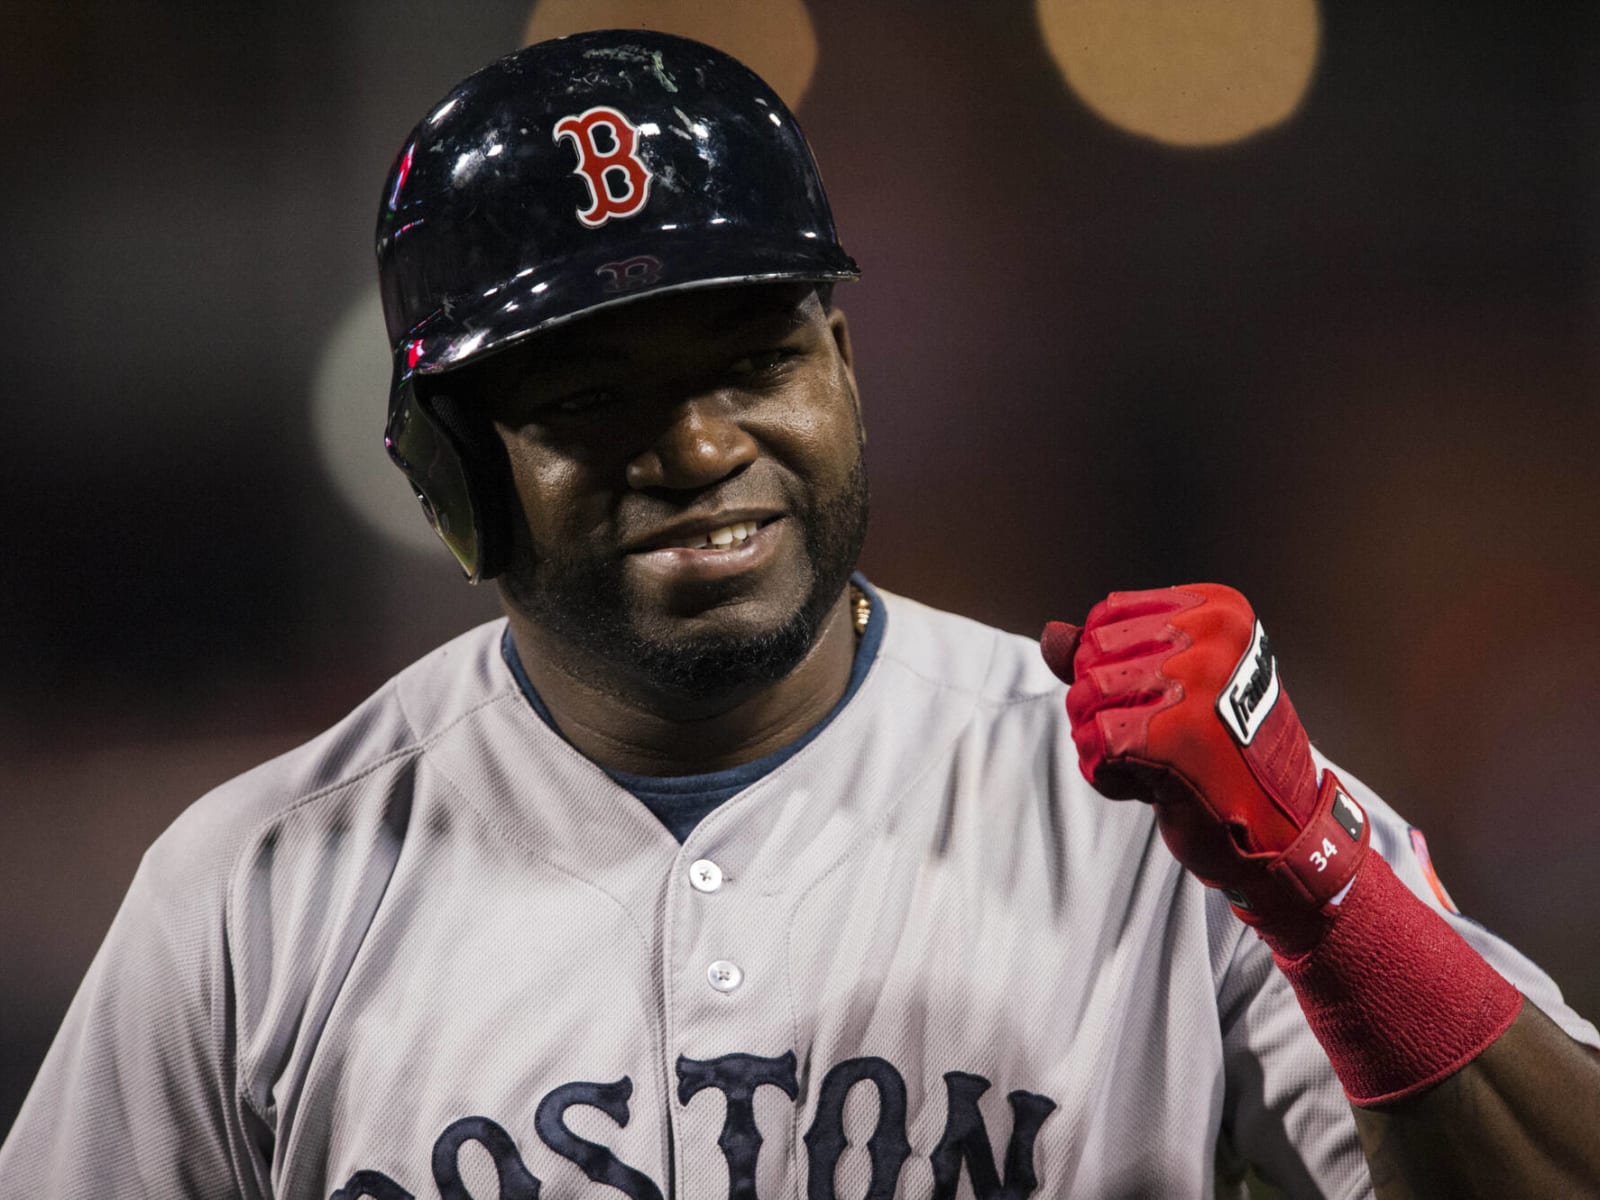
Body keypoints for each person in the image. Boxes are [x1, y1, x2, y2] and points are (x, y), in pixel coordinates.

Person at [3, 29, 1598, 1199]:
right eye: (593, 401)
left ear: (842, 362)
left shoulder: (1144, 820)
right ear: (446, 470)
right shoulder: (253, 898)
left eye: (753, 358)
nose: (700, 450)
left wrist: (1323, 892)